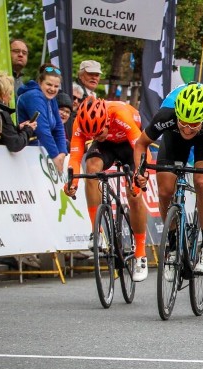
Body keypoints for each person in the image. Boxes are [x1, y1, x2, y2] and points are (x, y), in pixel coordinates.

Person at [133, 82, 203, 275]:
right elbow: (141, 144)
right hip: (172, 139)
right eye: (183, 123)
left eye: (193, 125)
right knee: (165, 190)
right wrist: (139, 171)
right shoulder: (167, 114)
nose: (187, 130)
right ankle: (173, 245)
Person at [63, 97, 150, 280]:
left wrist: (140, 177)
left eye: (99, 131)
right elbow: (75, 156)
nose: (96, 136)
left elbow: (142, 151)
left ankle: (141, 254)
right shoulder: (81, 123)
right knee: (91, 169)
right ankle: (97, 232)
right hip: (107, 148)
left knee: (134, 195)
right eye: (92, 135)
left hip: (131, 145)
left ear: (107, 121)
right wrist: (73, 183)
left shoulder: (121, 115)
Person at [16, 63, 68, 173]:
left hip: (41, 149)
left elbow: (58, 127)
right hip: (28, 152)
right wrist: (55, 156)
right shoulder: (34, 96)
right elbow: (42, 130)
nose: (52, 89)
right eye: (49, 84)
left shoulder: (50, 98)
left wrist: (62, 153)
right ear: (40, 82)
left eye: (56, 86)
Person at [0, 72, 36, 152]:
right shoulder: (0, 114)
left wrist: (18, 129)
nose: (10, 98)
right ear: (3, 93)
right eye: (9, 94)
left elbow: (4, 134)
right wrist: (28, 130)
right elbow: (15, 144)